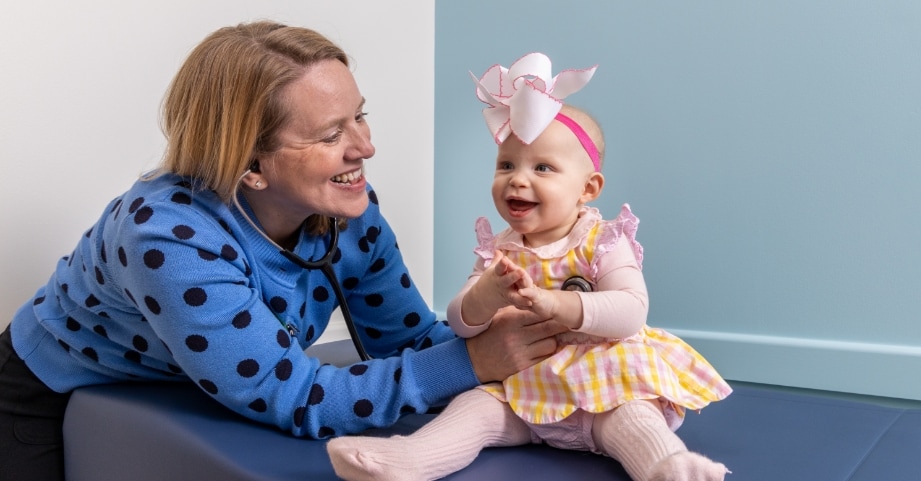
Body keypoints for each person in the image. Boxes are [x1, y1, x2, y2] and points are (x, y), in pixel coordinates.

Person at [0, 24, 568, 481]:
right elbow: (298, 396)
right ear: (251, 165)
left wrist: (534, 340)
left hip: (193, 380)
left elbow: (407, 341)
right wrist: (474, 361)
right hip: (53, 390)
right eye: (331, 134)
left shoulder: (349, 213)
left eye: (360, 116)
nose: (366, 147)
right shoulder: (166, 237)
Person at [326, 53, 733, 481]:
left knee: (635, 421)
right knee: (473, 409)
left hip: (605, 387)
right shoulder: (499, 250)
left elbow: (631, 311)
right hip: (524, 391)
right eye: (506, 165)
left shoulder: (602, 240)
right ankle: (408, 459)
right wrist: (485, 297)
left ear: (588, 188)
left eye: (543, 167)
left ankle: (669, 468)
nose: (518, 179)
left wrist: (559, 305)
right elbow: (461, 323)